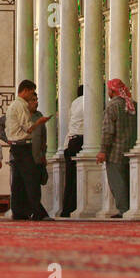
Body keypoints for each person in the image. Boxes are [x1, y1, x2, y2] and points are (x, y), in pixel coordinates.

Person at [5, 80, 50, 220]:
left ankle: (19, 211)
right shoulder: (21, 105)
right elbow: (28, 128)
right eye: (31, 93)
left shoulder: (14, 105)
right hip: (23, 146)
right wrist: (39, 122)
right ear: (25, 90)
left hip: (16, 146)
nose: (32, 97)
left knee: (18, 182)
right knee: (32, 180)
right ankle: (38, 212)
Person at [97, 78, 138, 217]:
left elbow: (108, 131)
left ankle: (124, 210)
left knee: (117, 182)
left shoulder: (112, 106)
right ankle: (132, 208)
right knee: (129, 181)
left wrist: (103, 151)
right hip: (132, 150)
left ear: (111, 91)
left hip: (115, 151)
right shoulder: (133, 105)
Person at [61, 85, 85, 217]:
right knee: (77, 179)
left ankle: (67, 209)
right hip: (80, 141)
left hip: (70, 142)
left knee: (70, 179)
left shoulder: (74, 103)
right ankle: (74, 207)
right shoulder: (88, 101)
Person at [28, 95, 51, 219]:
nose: (36, 102)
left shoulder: (39, 115)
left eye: (37, 100)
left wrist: (44, 154)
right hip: (25, 156)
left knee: (36, 186)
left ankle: (37, 212)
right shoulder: (21, 114)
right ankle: (35, 211)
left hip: (37, 157)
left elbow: (43, 137)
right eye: (33, 100)